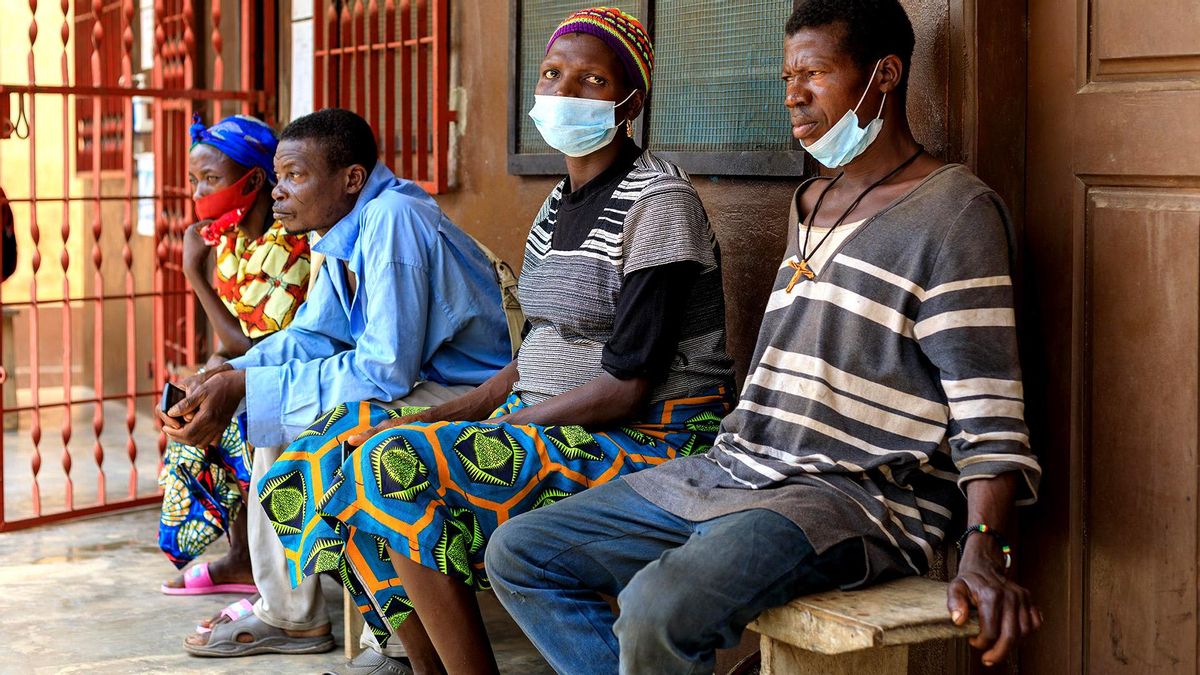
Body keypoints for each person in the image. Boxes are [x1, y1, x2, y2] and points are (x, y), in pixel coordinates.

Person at [485, 1, 1044, 673]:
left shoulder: (955, 212)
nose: (793, 96)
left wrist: (986, 547)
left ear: (885, 75)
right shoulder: (810, 203)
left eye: (815, 74)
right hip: (738, 468)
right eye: (787, 78)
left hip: (851, 495)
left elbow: (989, 410)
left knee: (658, 608)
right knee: (521, 552)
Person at [259, 8, 734, 674]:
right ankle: (422, 663)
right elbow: (532, 354)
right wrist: (442, 415)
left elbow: (626, 388)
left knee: (391, 464)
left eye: (592, 80)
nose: (564, 90)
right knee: (322, 454)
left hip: (646, 438)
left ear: (629, 103)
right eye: (552, 73)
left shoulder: (659, 203)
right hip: (552, 421)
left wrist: (492, 428)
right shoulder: (557, 204)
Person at [160, 108, 513, 658]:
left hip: (475, 395)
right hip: (419, 381)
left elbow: (384, 369)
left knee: (327, 435)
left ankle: (393, 641)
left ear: (351, 178)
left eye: (295, 175)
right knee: (272, 421)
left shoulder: (394, 217)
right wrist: (229, 373)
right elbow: (316, 334)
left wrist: (250, 388)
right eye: (278, 176)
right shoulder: (342, 229)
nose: (278, 191)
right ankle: (289, 613)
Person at [158, 114, 310, 599]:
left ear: (254, 180)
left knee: (227, 419)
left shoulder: (290, 245)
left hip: (292, 376)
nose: (199, 192)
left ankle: (257, 563)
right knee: (188, 406)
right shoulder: (232, 239)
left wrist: (194, 276)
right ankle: (242, 555)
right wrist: (208, 370)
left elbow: (256, 347)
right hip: (252, 368)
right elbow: (233, 341)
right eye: (194, 180)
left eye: (210, 178)